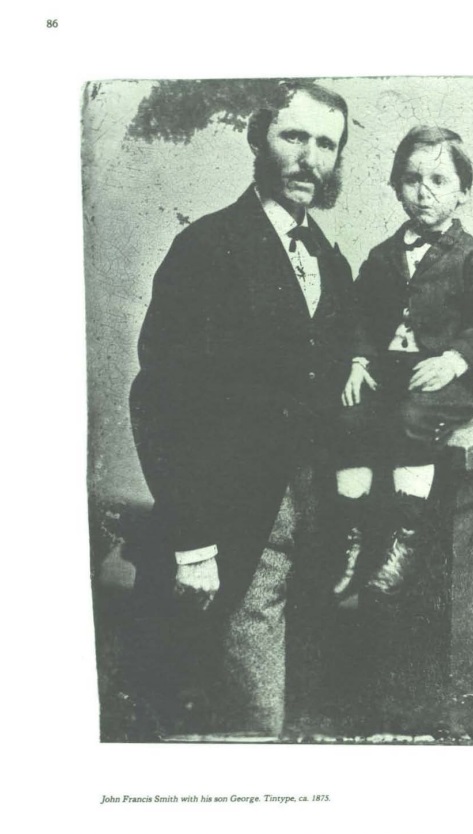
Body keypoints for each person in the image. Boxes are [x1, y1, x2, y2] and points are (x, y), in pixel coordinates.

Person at [129, 81, 353, 738]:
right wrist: (193, 543)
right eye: (294, 137)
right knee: (248, 724)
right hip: (231, 533)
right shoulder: (207, 248)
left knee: (290, 719)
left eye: (325, 144)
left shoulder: (328, 262)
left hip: (306, 532)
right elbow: (162, 400)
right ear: (259, 140)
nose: (309, 158)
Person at [332, 126, 473, 599]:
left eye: (438, 179)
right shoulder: (383, 255)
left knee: (413, 417)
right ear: (396, 187)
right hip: (387, 372)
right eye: (411, 179)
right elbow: (360, 316)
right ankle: (352, 540)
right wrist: (358, 361)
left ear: (463, 192)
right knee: (350, 416)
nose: (423, 191)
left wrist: (456, 359)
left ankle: (405, 540)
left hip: (446, 379)